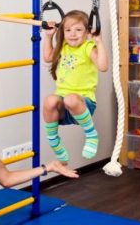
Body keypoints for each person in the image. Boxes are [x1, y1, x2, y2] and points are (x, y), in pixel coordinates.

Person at [42, 10, 109, 163]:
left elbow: (103, 66)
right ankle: (54, 142)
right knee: (50, 100)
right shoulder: (63, 47)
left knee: (71, 99)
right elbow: (47, 57)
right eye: (68, 30)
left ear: (87, 32)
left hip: (84, 104)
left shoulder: (87, 47)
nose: (73, 34)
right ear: (63, 32)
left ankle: (91, 135)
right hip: (63, 108)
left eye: (78, 30)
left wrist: (99, 42)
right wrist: (48, 36)